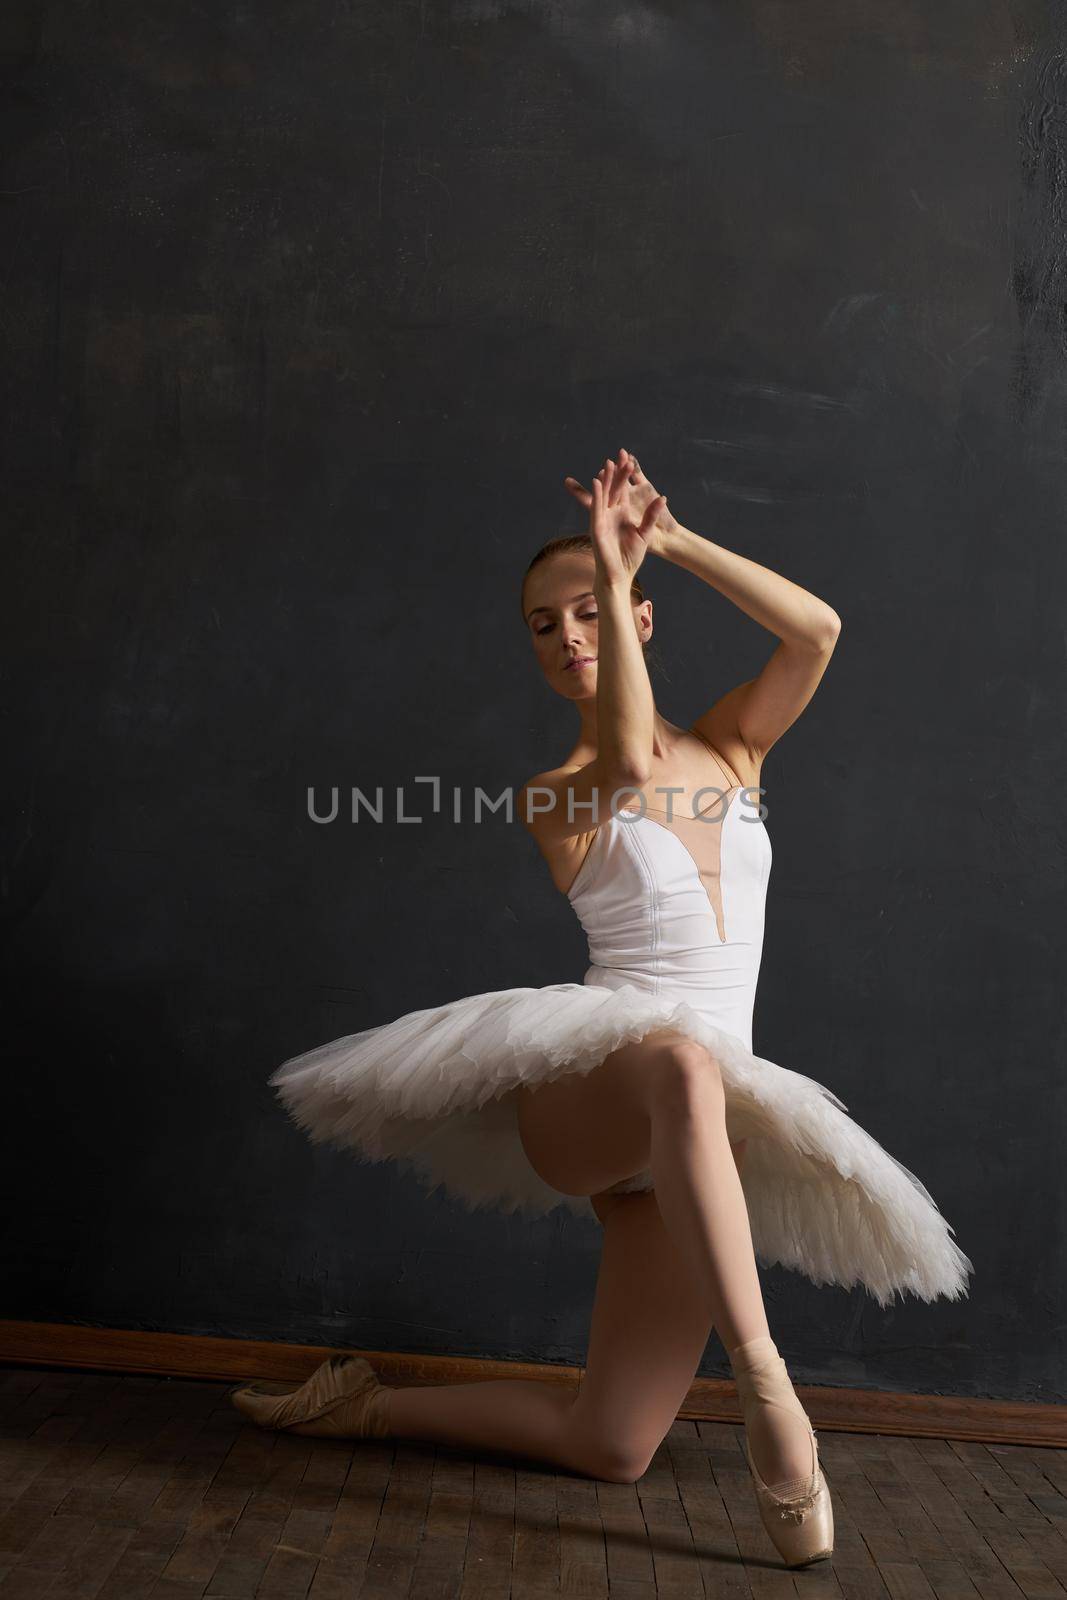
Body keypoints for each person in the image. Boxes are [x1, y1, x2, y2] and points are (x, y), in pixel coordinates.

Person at [232, 447, 973, 1568]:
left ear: (640, 611)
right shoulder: (557, 795)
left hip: (700, 1133)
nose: (567, 634)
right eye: (543, 624)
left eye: (592, 610)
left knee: (613, 1441)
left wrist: (665, 538)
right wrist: (617, 582)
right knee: (678, 1060)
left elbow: (815, 629)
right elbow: (627, 756)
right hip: (590, 1089)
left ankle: (369, 1405)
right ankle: (770, 1393)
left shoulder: (731, 747)